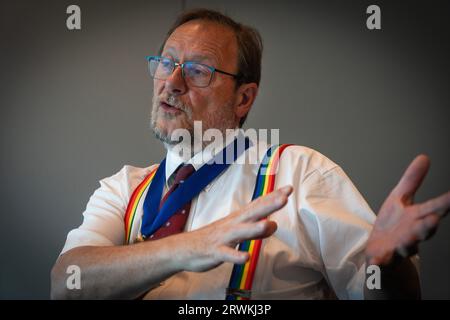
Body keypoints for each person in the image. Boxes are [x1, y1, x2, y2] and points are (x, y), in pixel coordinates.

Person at [51, 9, 449, 300]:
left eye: (198, 70)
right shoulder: (123, 189)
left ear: (244, 98)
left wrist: (387, 267)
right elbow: (66, 285)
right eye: (166, 63)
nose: (171, 83)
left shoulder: (301, 174)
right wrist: (191, 247)